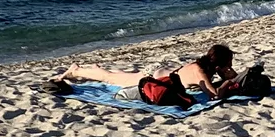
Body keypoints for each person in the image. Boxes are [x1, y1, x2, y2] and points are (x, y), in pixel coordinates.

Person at [54, 44, 242, 105]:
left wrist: (227, 74)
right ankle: (75, 70)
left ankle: (93, 68)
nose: (230, 66)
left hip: (162, 73)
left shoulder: (203, 67)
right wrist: (228, 81)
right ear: (220, 63)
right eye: (228, 63)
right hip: (154, 78)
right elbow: (215, 96)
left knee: (116, 75)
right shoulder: (200, 72)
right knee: (109, 78)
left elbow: (229, 77)